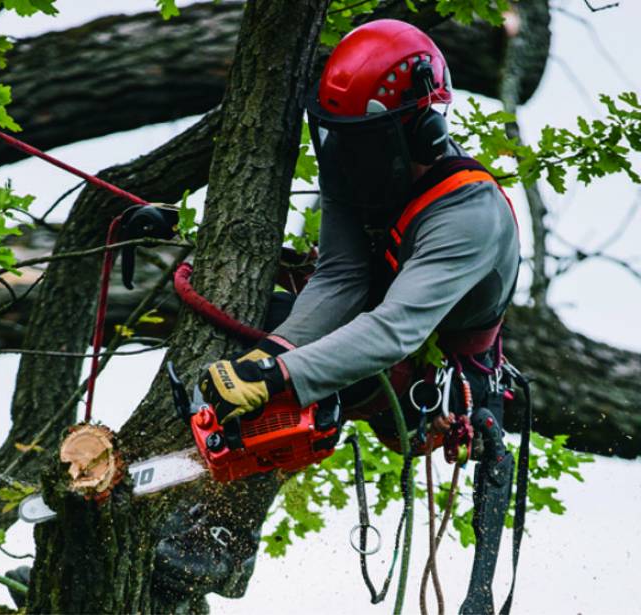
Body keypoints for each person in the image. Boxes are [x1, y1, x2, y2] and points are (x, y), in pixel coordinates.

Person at [155, 19, 521, 613]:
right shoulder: (358, 160)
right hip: (372, 324)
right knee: (246, 329)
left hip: (425, 368)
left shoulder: (468, 217)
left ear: (420, 128)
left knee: (305, 394)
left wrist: (280, 379)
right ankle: (193, 491)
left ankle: (223, 534)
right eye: (340, 135)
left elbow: (394, 330)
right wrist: (269, 354)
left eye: (366, 137)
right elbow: (342, 276)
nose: (349, 150)